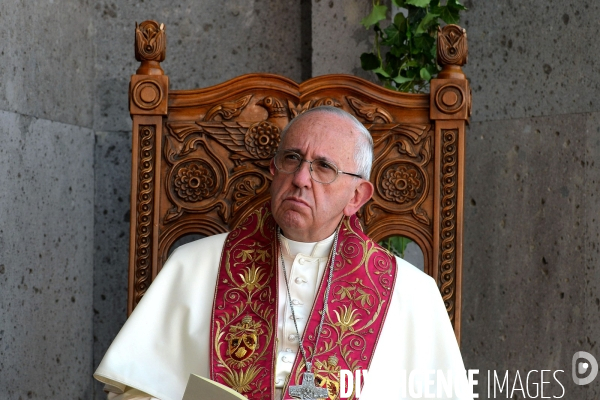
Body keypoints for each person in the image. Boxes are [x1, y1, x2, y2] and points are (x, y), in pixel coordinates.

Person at [94, 106, 471, 400]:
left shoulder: (413, 293)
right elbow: (133, 388)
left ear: (356, 196)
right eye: (292, 158)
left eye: (324, 167)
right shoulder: (194, 265)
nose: (301, 179)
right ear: (274, 169)